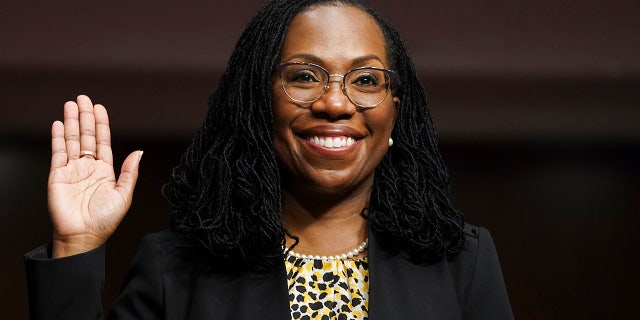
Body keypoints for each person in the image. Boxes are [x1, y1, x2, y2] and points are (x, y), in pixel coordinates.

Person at [24, 0, 514, 319]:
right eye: (304, 76)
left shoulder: (462, 262)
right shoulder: (176, 268)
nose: (336, 103)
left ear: (393, 115)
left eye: (366, 80)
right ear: (258, 103)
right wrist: (75, 246)